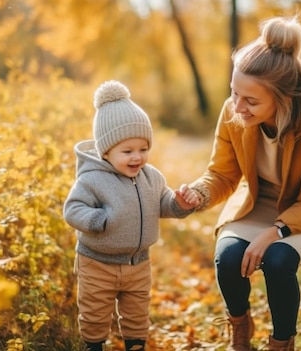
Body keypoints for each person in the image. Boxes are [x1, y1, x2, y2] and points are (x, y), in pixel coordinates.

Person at [181, 16, 301, 351]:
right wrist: (199, 193)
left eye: (250, 100)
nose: (237, 106)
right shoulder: (234, 112)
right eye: (234, 92)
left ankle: (281, 343)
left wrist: (273, 232)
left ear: (284, 99)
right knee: (228, 258)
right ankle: (240, 329)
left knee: (278, 260)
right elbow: (222, 174)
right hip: (258, 202)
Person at [63, 80, 200, 351]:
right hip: (97, 262)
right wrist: (97, 220)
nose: (137, 157)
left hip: (139, 264)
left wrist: (180, 204)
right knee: (94, 313)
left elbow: (163, 203)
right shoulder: (92, 179)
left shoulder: (152, 177)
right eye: (127, 152)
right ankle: (94, 346)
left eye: (143, 149)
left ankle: (135, 345)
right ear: (106, 152)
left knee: (137, 314)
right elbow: (72, 209)